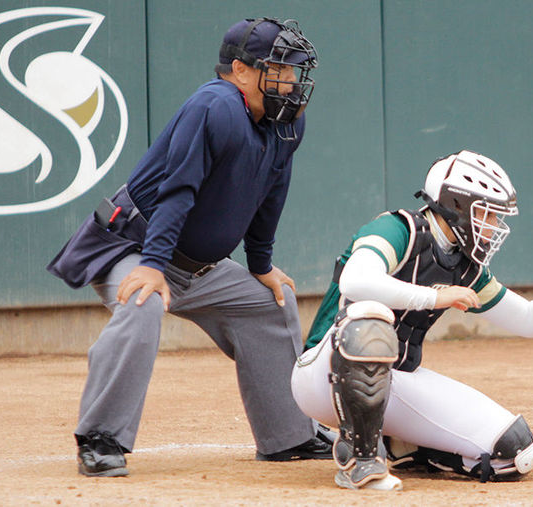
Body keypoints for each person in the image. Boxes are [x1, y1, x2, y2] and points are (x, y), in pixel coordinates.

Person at [47, 17, 334, 477]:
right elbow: (177, 191)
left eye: (294, 70)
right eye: (280, 68)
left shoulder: (286, 122)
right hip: (133, 247)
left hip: (198, 266)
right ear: (241, 70)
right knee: (141, 304)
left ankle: (289, 435)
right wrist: (154, 265)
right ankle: (100, 437)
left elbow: (270, 194)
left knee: (270, 303)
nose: (292, 80)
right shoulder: (213, 107)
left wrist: (260, 264)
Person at [290, 150, 533, 491]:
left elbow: (526, 320)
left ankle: (402, 446)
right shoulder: (398, 228)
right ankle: (359, 461)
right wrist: (436, 297)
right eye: (488, 215)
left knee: (515, 452)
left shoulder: (464, 265)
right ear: (458, 205)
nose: (494, 226)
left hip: (393, 380)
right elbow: (355, 281)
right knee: (370, 321)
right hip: (323, 376)